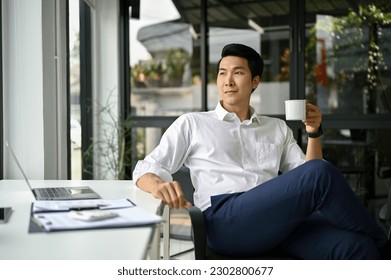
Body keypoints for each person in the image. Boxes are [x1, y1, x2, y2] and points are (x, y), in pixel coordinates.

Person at [133, 43, 390, 259]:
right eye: (222, 73)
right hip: (226, 222)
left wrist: (313, 133)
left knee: (359, 248)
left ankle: (378, 247)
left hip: (277, 220)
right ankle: (386, 244)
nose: (228, 81)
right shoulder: (193, 123)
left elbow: (308, 175)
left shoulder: (276, 127)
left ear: (255, 81)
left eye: (237, 73)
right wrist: (157, 185)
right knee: (323, 176)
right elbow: (146, 167)